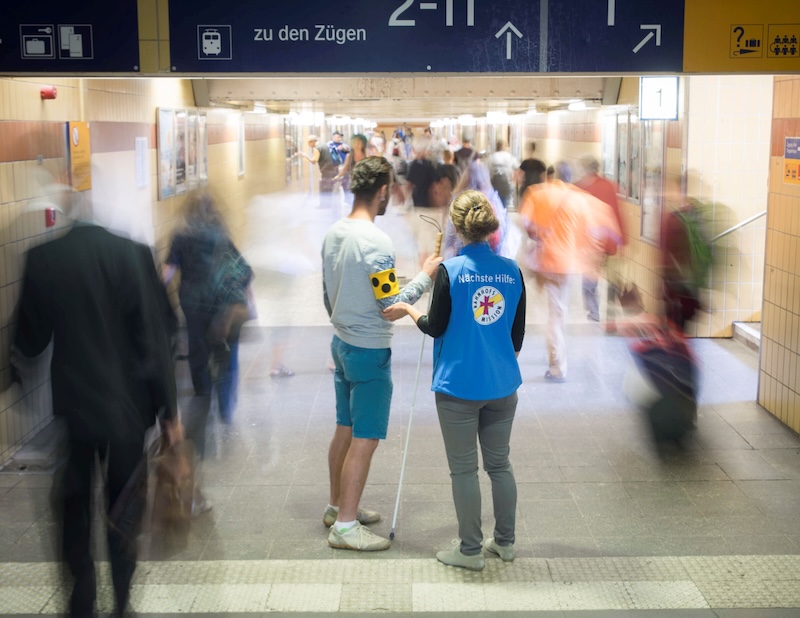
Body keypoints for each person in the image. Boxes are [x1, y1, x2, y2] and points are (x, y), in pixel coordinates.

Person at [13, 200, 181, 617]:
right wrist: (169, 411)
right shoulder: (134, 254)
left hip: (74, 411)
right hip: (129, 410)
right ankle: (122, 602)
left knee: (74, 508)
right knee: (124, 509)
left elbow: (30, 341)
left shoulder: (45, 258)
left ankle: (81, 602)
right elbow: (155, 336)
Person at [383, 190, 526, 571]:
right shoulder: (512, 271)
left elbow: (434, 326)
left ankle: (470, 551)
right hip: (503, 386)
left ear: (457, 228)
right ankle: (505, 543)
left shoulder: (451, 271)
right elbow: (516, 338)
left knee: (464, 470)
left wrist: (409, 308)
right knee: (500, 465)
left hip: (458, 387)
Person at [322, 156, 441, 551]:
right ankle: (345, 526)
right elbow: (390, 305)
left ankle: (337, 505)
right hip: (369, 352)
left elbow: (328, 292)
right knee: (365, 438)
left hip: (341, 344)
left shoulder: (334, 233)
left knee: (344, 428)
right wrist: (425, 277)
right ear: (383, 190)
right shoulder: (376, 242)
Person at [519, 162, 589, 383]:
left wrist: (539, 233)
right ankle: (555, 360)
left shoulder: (537, 193)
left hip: (544, 261)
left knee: (551, 313)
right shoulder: (578, 198)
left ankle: (554, 357)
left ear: (550, 177)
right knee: (557, 313)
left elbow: (525, 222)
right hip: (566, 263)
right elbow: (586, 232)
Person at [575, 155, 625, 324]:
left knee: (589, 281)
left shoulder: (581, 188)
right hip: (610, 241)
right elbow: (617, 213)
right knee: (611, 280)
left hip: (591, 243)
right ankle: (610, 315)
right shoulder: (609, 186)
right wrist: (622, 240)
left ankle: (594, 313)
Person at [296, 134, 339, 208]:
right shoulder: (324, 145)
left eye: (309, 143)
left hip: (326, 170)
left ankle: (325, 205)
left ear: (312, 142)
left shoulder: (317, 148)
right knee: (330, 188)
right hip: (333, 169)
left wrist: (305, 155)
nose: (308, 145)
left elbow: (313, 161)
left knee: (325, 188)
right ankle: (331, 204)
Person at [335, 133, 368, 205]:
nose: (357, 145)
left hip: (365, 181)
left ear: (363, 144)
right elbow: (345, 168)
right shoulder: (349, 156)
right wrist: (338, 176)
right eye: (355, 143)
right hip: (353, 181)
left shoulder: (367, 155)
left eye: (359, 143)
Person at [487, 140, 519, 209]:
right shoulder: (510, 157)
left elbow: (487, 170)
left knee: (494, 203)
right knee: (504, 204)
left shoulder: (492, 157)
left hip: (494, 183)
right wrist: (513, 180)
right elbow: (517, 168)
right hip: (506, 183)